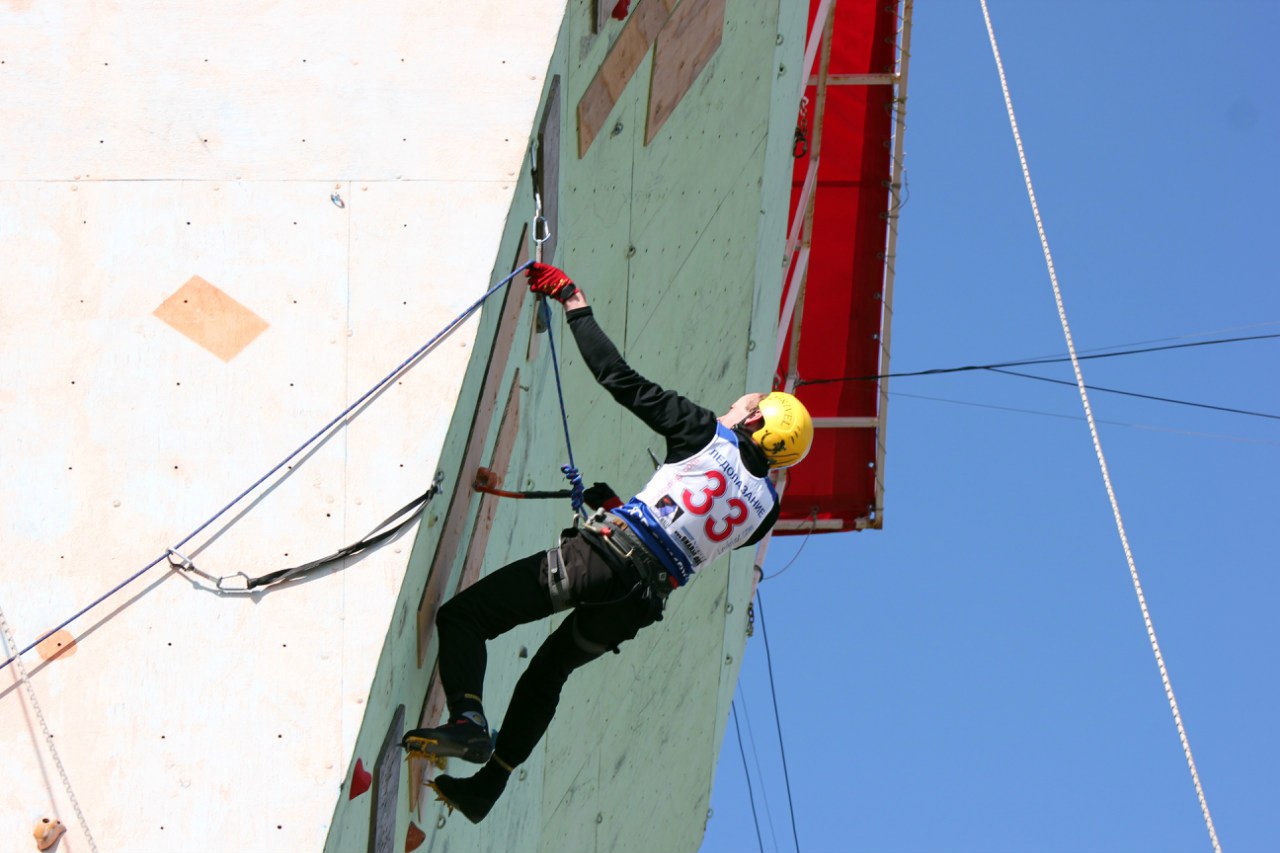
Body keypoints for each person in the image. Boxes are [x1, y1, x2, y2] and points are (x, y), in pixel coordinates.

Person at [402, 262, 813, 822]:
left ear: (752, 424)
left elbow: (618, 377)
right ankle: (487, 789)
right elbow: (689, 527)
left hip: (601, 559)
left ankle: (468, 721)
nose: (731, 409)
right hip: (637, 605)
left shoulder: (703, 432)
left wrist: (575, 301)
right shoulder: (766, 512)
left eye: (743, 408)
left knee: (466, 618)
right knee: (549, 671)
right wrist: (623, 509)